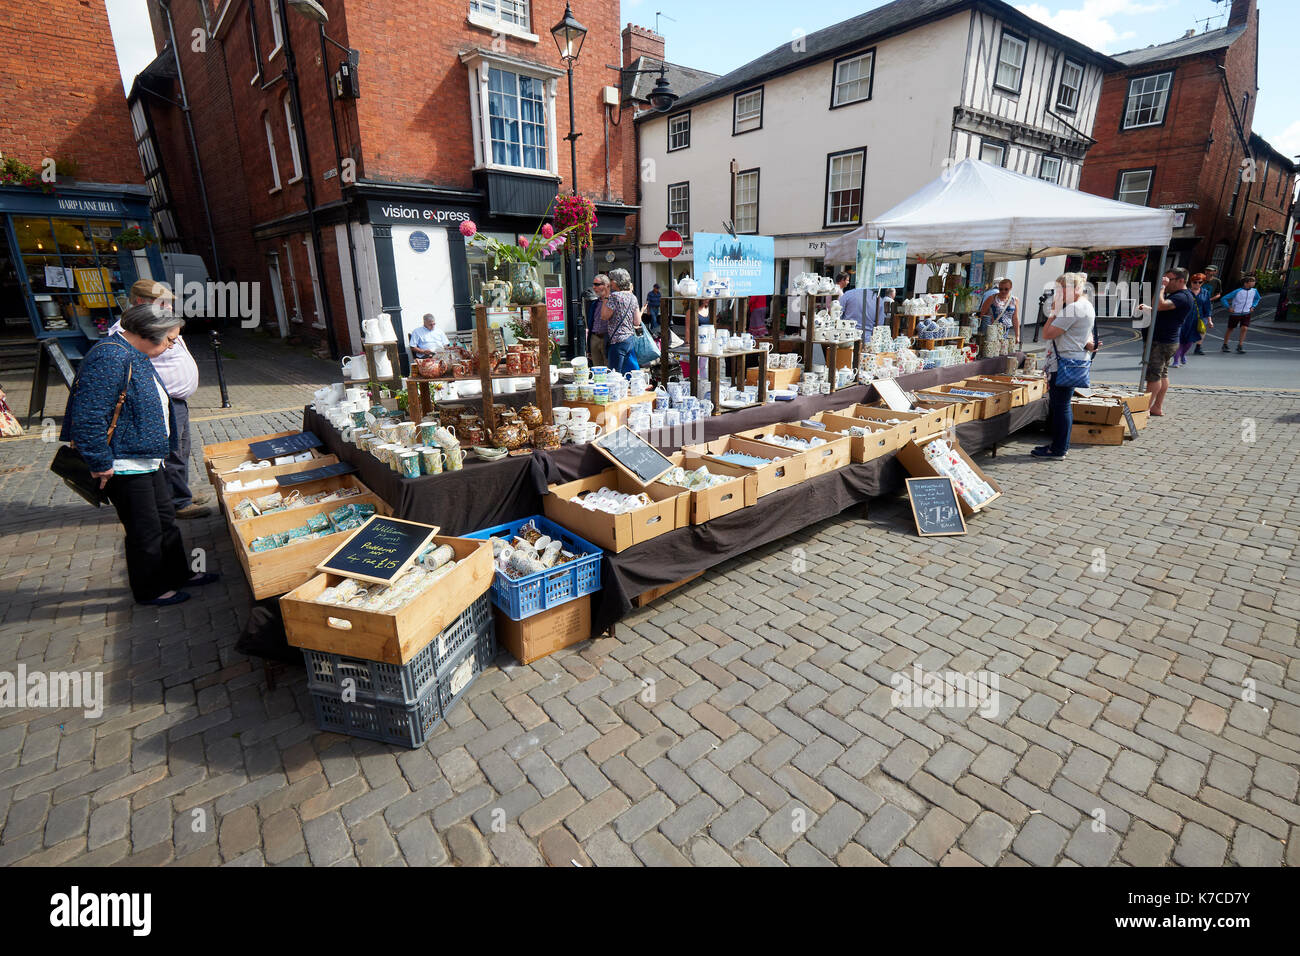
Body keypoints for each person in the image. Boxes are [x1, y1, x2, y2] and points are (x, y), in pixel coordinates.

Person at [64, 304, 219, 606]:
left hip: (148, 458)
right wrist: (99, 461)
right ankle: (151, 589)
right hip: (123, 463)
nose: (173, 345)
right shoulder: (110, 357)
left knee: (164, 519)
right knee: (144, 529)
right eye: (170, 339)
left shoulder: (134, 353)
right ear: (150, 334)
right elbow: (89, 415)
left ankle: (177, 574)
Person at [106, 279, 209, 519]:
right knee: (170, 452)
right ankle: (177, 502)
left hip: (176, 400)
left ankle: (179, 492)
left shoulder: (161, 323)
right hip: (159, 401)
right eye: (163, 303)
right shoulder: (127, 332)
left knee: (181, 450)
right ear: (141, 302)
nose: (170, 308)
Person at [1033, 272, 1095, 459]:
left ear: (1076, 289)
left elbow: (1048, 333)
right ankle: (1059, 445)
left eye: (1062, 288)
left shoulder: (1073, 308)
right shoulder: (1085, 305)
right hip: (1073, 360)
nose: (1059, 292)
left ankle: (1059, 448)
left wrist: (1053, 312)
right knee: (1062, 405)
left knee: (1061, 406)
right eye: (1057, 288)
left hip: (1064, 362)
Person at [1138, 267, 1193, 417]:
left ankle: (1145, 409)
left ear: (1181, 280)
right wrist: (1149, 308)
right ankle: (1157, 407)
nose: (1166, 282)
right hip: (1166, 340)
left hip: (1162, 341)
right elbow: (1161, 309)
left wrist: (1161, 287)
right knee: (1162, 374)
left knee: (1153, 376)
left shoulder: (1182, 296)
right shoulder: (1179, 296)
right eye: (1164, 280)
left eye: (1169, 280)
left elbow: (1160, 305)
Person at [602, 268, 644, 373]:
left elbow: (604, 316)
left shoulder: (614, 296)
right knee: (630, 373)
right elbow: (637, 322)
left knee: (615, 375)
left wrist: (606, 297)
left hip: (617, 341)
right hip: (629, 340)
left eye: (610, 280)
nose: (609, 283)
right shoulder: (633, 297)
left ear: (615, 282)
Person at [1172, 274, 1210, 367]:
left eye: (1199, 282)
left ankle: (1183, 354)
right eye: (1194, 282)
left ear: (1203, 283)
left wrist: (1209, 320)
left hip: (1197, 320)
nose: (1197, 284)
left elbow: (1208, 307)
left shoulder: (1205, 293)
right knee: (1180, 340)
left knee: (1190, 342)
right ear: (1191, 282)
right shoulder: (1185, 292)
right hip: (1184, 319)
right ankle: (1176, 360)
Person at [1220, 274, 1260, 354]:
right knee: (1230, 329)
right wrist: (1228, 307)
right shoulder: (1237, 291)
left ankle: (1240, 346)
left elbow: (1257, 298)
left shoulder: (1254, 291)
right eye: (1252, 281)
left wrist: (1253, 306)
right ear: (1246, 283)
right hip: (1236, 313)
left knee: (1244, 328)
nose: (1254, 283)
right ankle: (1225, 344)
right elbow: (1224, 298)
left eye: (1254, 281)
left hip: (1246, 313)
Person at [978, 276, 1020, 342]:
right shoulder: (992, 298)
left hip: (1005, 332)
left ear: (1010, 288)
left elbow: (1015, 318)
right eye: (1001, 289)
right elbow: (982, 314)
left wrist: (1017, 336)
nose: (1003, 291)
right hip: (991, 331)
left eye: (1006, 289)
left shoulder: (1014, 300)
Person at [1195, 266, 1222, 355]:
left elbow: (1218, 294)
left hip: (1207, 304)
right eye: (1207, 270)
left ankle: (1198, 347)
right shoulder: (1199, 278)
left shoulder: (1216, 281)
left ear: (1215, 272)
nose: (1208, 272)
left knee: (1203, 326)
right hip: (1196, 303)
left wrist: (1209, 300)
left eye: (1210, 270)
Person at [586, 274, 609, 366]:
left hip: (607, 338)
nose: (593, 287)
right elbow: (591, 324)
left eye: (597, 284)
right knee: (597, 370)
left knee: (609, 368)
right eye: (593, 284)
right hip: (594, 338)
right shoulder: (594, 303)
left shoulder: (613, 301)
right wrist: (588, 347)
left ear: (605, 285)